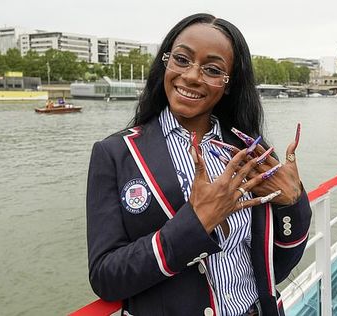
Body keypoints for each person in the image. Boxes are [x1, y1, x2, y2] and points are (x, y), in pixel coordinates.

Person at [86, 13, 312, 316]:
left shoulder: (248, 151)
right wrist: (196, 223)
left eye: (213, 69)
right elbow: (105, 277)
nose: (192, 76)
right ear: (165, 62)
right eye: (181, 59)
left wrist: (292, 204)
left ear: (229, 84)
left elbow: (275, 267)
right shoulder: (116, 153)